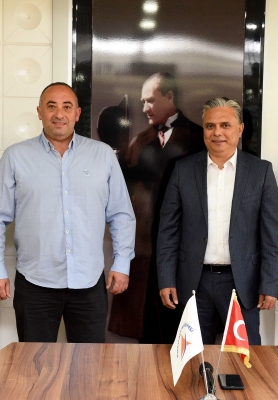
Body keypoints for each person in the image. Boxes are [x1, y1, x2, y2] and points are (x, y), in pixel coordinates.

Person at [0, 82, 135, 343]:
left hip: (88, 283)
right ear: (39, 112)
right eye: (51, 106)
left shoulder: (103, 155)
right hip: (35, 284)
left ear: (77, 113)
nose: (59, 114)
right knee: (35, 363)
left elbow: (121, 215)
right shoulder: (16, 156)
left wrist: (122, 262)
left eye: (67, 107)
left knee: (88, 363)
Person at [156, 97, 278, 344]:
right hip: (194, 282)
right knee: (194, 358)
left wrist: (270, 283)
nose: (217, 133)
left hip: (243, 283)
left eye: (225, 125)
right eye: (210, 126)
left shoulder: (261, 172)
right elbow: (168, 232)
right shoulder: (183, 170)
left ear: (240, 129)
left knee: (244, 358)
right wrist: (166, 278)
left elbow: (273, 235)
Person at [108, 72, 205, 343]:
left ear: (169, 96)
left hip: (185, 248)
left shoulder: (199, 138)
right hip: (144, 249)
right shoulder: (139, 140)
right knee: (147, 330)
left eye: (150, 100)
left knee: (185, 330)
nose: (144, 108)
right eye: (142, 102)